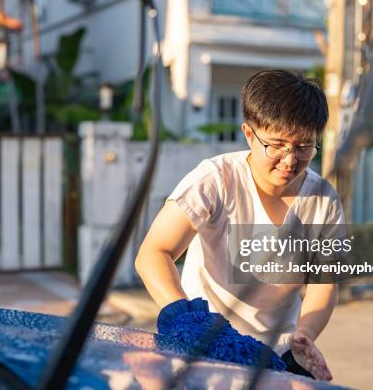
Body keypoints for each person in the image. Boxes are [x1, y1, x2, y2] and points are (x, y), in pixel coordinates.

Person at [135, 70, 345, 381]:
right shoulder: (215, 180)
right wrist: (187, 321)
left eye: (303, 147)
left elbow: (323, 283)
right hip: (206, 346)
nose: (290, 160)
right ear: (249, 134)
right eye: (276, 145)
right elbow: (154, 252)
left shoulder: (323, 199)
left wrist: (305, 333)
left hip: (276, 356)